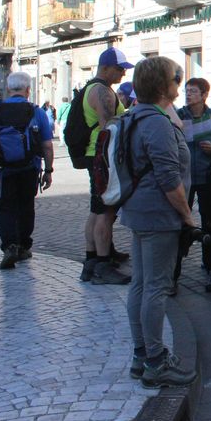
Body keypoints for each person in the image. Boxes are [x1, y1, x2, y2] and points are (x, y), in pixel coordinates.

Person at [121, 56, 197, 388]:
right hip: (158, 214)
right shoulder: (156, 123)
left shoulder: (134, 115)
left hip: (138, 210)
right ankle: (155, 361)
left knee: (141, 284)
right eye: (175, 78)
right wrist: (186, 215)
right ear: (163, 85)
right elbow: (169, 179)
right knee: (155, 288)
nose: (179, 82)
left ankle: (142, 355)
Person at [80, 47, 135, 285]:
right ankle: (102, 265)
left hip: (95, 155)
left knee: (96, 210)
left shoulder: (93, 88)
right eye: (119, 69)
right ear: (105, 68)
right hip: (102, 157)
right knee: (105, 211)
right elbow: (108, 128)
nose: (123, 74)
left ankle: (92, 261)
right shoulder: (102, 91)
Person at [175, 78, 211, 293]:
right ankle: (173, 274)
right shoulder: (178, 116)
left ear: (205, 95)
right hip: (184, 180)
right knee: (179, 224)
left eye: (193, 91)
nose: (188, 95)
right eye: (186, 91)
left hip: (208, 177)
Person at [0, 72, 54, 269]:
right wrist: (48, 170)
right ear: (28, 90)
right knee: (26, 206)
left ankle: (10, 245)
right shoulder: (36, 112)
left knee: (5, 208)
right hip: (29, 168)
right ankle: (22, 246)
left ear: (8, 89)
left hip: (2, 170)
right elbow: (47, 145)